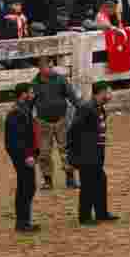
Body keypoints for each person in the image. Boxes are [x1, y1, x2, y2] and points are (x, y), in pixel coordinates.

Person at [68, 81, 120, 225]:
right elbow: (73, 131)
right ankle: (84, 217)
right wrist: (73, 154)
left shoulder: (99, 109)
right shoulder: (86, 108)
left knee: (100, 181)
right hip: (86, 155)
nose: (110, 96)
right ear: (101, 92)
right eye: (108, 92)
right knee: (88, 185)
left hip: (96, 154)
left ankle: (101, 213)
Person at [32, 57, 80, 190]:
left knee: (65, 149)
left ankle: (70, 178)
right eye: (48, 67)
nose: (50, 69)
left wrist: (81, 108)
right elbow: (30, 103)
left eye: (51, 67)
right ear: (41, 68)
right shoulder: (35, 84)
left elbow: (71, 96)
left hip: (61, 120)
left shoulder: (60, 80)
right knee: (44, 152)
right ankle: (48, 180)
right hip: (43, 122)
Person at [5, 83, 40, 233]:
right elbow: (18, 138)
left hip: (25, 153)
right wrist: (27, 155)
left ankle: (24, 221)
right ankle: (22, 222)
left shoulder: (22, 108)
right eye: (31, 92)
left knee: (27, 186)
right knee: (26, 186)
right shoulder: (17, 112)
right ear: (23, 95)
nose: (33, 95)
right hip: (22, 154)